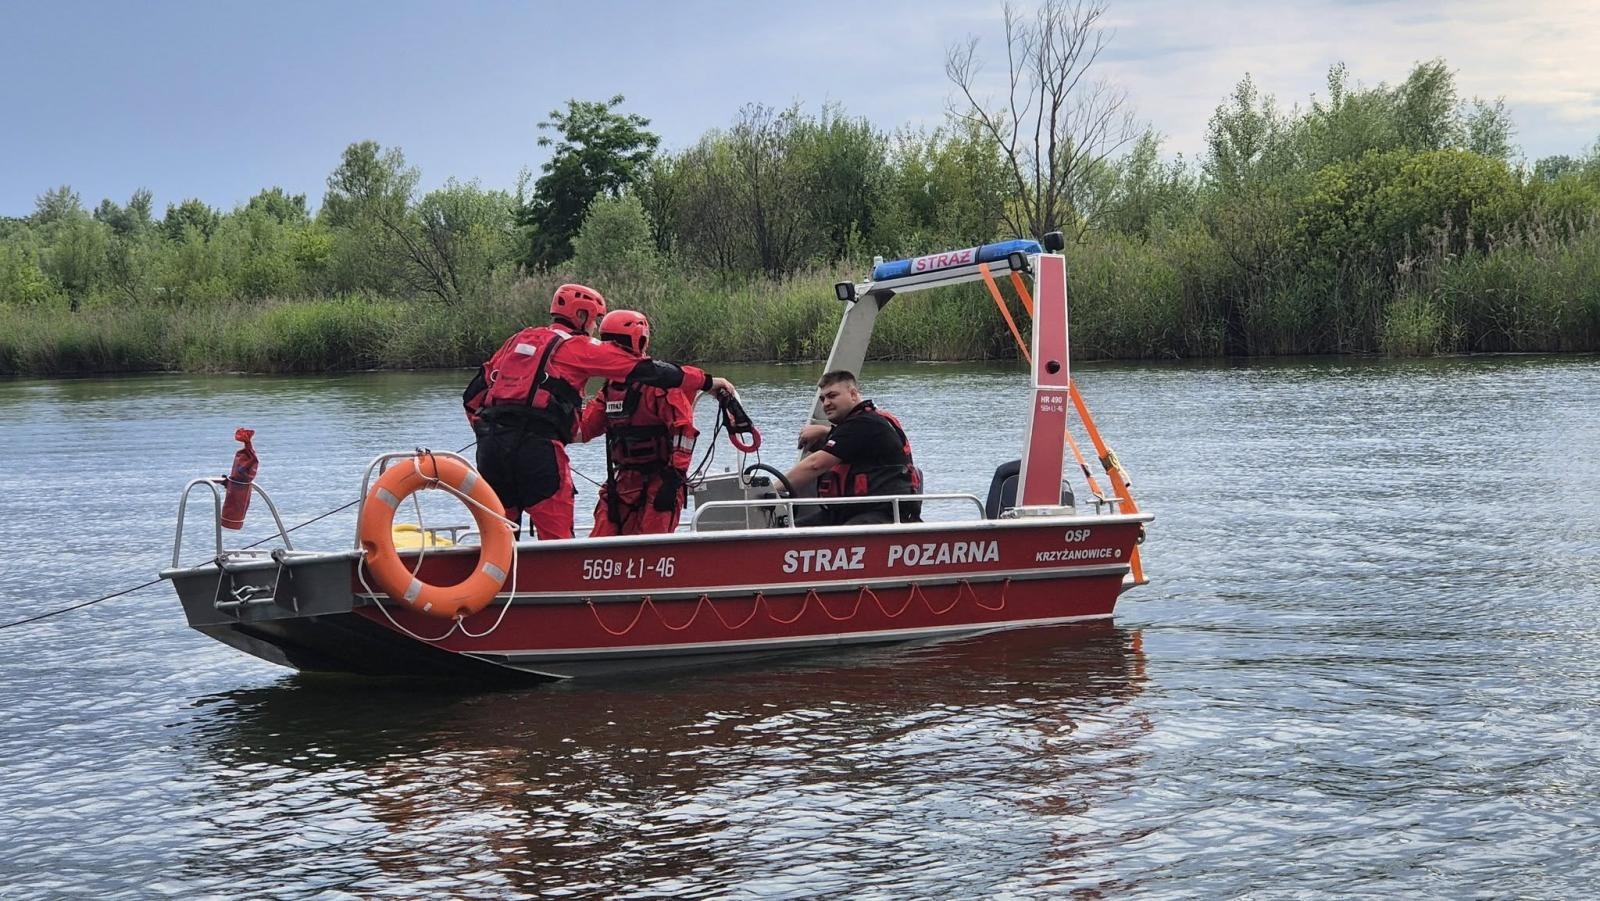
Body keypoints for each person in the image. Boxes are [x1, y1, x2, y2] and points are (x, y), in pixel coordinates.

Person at [463, 284, 734, 540]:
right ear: (581, 316)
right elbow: (647, 370)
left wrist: (493, 432)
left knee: (500, 533)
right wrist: (708, 382)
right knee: (556, 539)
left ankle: (501, 582)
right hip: (538, 451)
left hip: (491, 449)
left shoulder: (516, 341)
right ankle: (563, 583)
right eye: (594, 322)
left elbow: (472, 397)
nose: (595, 330)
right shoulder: (578, 347)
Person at [578, 310, 701, 536]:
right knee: (599, 540)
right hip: (623, 481)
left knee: (651, 544)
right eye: (607, 343)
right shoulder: (610, 389)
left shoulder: (659, 386)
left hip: (661, 480)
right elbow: (583, 429)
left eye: (617, 343)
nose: (611, 349)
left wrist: (673, 479)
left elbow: (684, 431)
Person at [785, 370, 921, 526]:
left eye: (832, 396)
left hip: (883, 513)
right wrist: (826, 431)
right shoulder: (866, 421)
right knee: (793, 528)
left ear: (853, 394)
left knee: (833, 534)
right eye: (823, 399)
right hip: (854, 511)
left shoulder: (864, 423)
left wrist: (771, 490)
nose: (826, 403)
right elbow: (850, 441)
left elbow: (815, 465)